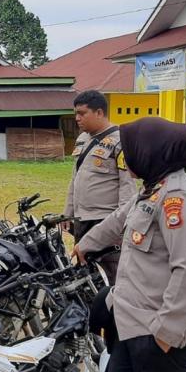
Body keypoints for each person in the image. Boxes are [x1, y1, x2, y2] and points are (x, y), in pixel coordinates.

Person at [73, 117, 186, 372]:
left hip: (162, 336)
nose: (127, 158)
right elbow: (118, 220)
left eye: (131, 151)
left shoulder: (179, 199)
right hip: (130, 326)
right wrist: (85, 245)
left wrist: (164, 335)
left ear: (152, 151)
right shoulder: (152, 189)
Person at [65, 90, 136, 284]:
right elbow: (76, 177)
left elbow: (127, 185)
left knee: (109, 273)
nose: (77, 118)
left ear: (99, 113)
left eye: (82, 113)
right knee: (83, 270)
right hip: (82, 218)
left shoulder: (121, 141)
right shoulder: (82, 139)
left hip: (105, 220)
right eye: (75, 114)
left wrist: (122, 224)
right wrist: (68, 212)